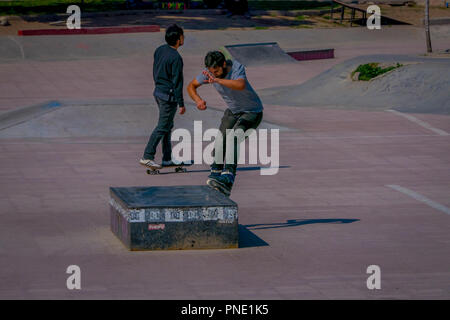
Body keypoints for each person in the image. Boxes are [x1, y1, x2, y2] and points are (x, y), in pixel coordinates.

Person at [187, 51, 263, 196]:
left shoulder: (236, 67)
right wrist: (198, 100)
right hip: (233, 111)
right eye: (211, 72)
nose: (214, 74)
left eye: (216, 71)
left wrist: (217, 81)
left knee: (234, 138)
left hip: (253, 112)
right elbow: (191, 86)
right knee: (220, 140)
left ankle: (228, 178)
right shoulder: (208, 73)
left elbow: (240, 85)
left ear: (223, 64)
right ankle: (215, 175)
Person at [140, 24, 186, 169]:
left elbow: (156, 69)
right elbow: (177, 82)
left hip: (158, 92)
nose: (183, 38)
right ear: (178, 39)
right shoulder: (176, 58)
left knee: (167, 126)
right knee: (162, 126)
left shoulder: (159, 50)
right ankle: (147, 156)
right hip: (168, 97)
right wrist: (181, 103)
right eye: (182, 36)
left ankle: (167, 158)